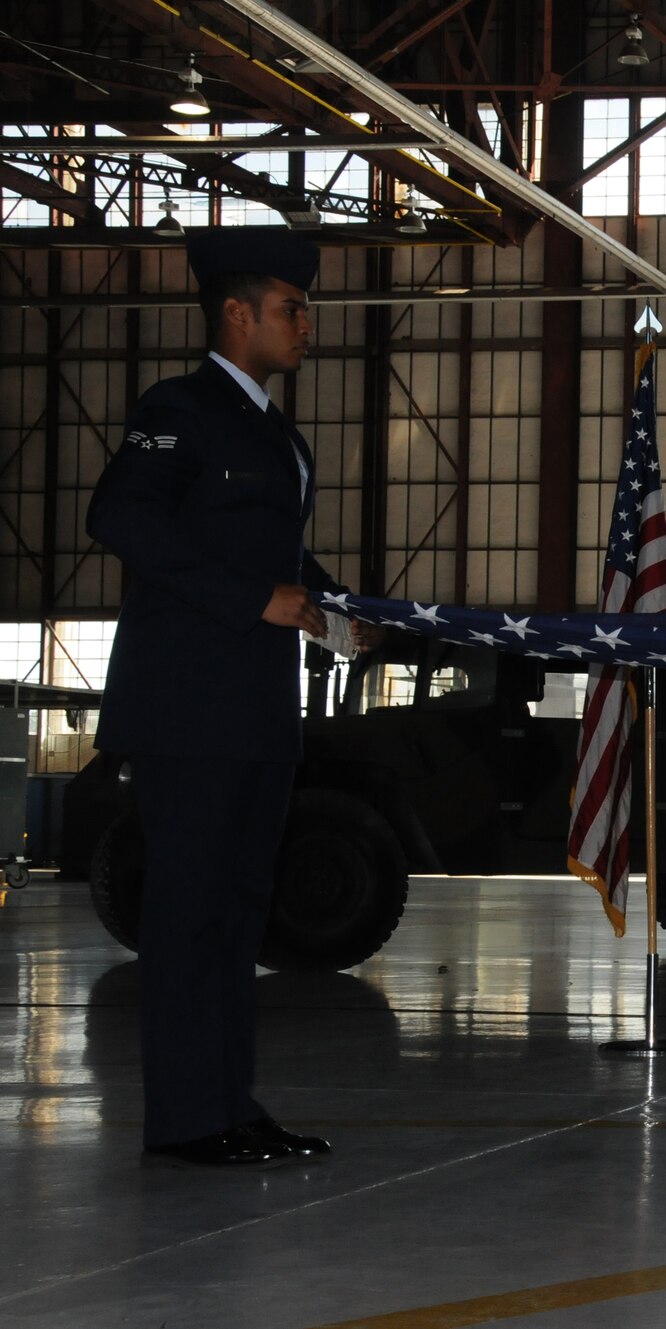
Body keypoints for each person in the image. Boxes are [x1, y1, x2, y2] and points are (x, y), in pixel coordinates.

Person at [88, 228, 376, 1167]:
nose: (307, 326)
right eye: (293, 308)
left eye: (307, 308)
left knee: (238, 915)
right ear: (236, 312)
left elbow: (279, 560)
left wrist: (334, 609)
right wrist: (257, 600)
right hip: (187, 711)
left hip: (258, 713)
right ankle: (182, 1119)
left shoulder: (275, 433)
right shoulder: (180, 408)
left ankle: (229, 1102)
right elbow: (120, 514)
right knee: (188, 914)